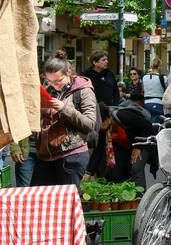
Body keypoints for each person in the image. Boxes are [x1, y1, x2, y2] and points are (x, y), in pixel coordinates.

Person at [33, 57, 98, 187]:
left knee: (68, 201)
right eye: (50, 81)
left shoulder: (83, 90)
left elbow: (90, 124)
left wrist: (64, 108)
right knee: (41, 199)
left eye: (58, 80)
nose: (54, 84)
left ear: (68, 73)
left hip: (72, 154)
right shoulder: (49, 89)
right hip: (45, 155)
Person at [81, 52, 118, 175]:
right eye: (103, 60)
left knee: (105, 142)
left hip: (109, 113)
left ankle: (100, 171)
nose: (106, 62)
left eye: (107, 59)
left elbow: (115, 92)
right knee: (93, 142)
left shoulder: (109, 74)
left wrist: (115, 109)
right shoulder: (86, 76)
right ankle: (89, 170)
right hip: (92, 114)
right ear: (95, 62)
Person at [110, 90, 155, 185]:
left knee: (136, 167)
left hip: (145, 140)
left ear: (107, 120)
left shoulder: (123, 116)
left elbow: (148, 127)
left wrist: (138, 147)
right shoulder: (105, 127)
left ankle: (141, 198)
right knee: (120, 169)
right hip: (128, 144)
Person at [141, 59, 166, 124]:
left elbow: (143, 89)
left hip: (146, 103)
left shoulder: (144, 77)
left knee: (148, 124)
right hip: (158, 103)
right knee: (157, 125)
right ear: (159, 66)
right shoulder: (163, 78)